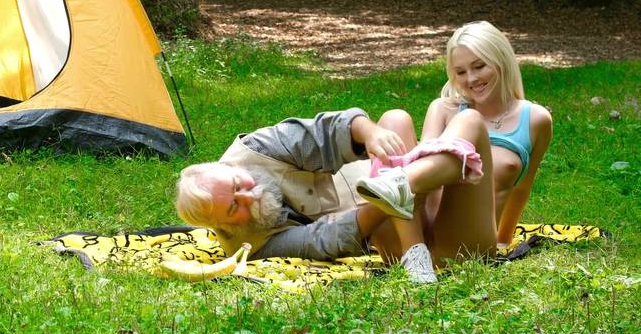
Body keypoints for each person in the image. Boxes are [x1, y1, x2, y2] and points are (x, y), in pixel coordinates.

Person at [175, 106, 503, 283]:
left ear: (230, 167)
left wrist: (371, 133)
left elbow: (327, 130)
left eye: (238, 183)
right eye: (234, 206)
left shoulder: (254, 150)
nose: (250, 194)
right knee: (471, 119)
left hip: (404, 238)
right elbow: (326, 239)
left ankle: (404, 188)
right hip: (450, 252)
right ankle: (403, 186)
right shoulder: (251, 245)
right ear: (226, 227)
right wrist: (382, 197)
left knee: (394, 120)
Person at [421, 21, 553, 248]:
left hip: (471, 245)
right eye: (460, 72)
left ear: (501, 60)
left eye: (479, 66)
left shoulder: (535, 120)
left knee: (468, 120)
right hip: (424, 235)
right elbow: (426, 184)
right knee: (395, 119)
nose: (471, 79)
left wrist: (503, 239)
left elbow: (521, 188)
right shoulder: (443, 109)